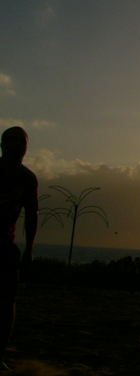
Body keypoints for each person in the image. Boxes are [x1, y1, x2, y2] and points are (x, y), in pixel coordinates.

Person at [0, 127, 38, 371]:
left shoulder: (27, 178)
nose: (16, 146)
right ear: (2, 145)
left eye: (20, 142)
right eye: (11, 141)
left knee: (6, 302)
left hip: (5, 247)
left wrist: (28, 251)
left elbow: (31, 216)